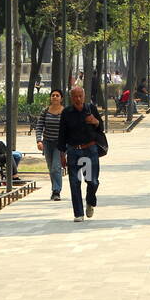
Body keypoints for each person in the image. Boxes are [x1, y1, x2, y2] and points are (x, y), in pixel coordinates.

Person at [57, 86, 103, 222]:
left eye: (80, 96)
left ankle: (90, 201)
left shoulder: (91, 109)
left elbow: (101, 127)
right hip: (73, 152)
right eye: (75, 96)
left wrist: (95, 121)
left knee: (92, 181)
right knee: (75, 182)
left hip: (89, 151)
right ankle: (78, 213)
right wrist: (62, 154)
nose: (78, 99)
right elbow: (62, 134)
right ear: (71, 98)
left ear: (84, 96)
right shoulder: (66, 112)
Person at [35, 89, 65, 200]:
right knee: (50, 166)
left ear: (61, 98)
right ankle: (54, 188)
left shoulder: (65, 112)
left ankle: (56, 191)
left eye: (57, 95)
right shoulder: (45, 111)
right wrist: (39, 140)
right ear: (50, 98)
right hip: (47, 143)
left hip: (60, 144)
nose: (55, 97)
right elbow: (39, 126)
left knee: (56, 167)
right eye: (53, 95)